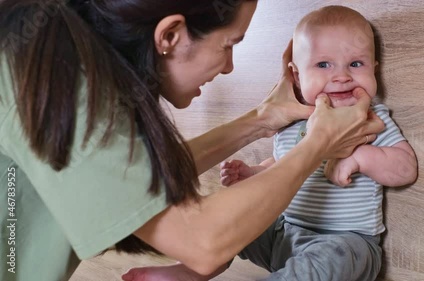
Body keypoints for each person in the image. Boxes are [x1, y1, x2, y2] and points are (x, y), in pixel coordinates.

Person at [0, 1, 385, 281]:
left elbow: (134, 179)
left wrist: (262, 120)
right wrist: (319, 142)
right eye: (229, 44)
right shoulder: (55, 83)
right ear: (170, 34)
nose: (230, 65)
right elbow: (203, 243)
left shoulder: (63, 62)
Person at [125, 5, 418, 281]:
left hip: (346, 242)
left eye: (356, 64)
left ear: (374, 69)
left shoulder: (368, 118)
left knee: (327, 262)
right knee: (237, 224)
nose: (341, 77)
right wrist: (254, 172)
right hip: (284, 233)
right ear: (296, 75)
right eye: (323, 64)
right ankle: (190, 272)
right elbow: (284, 165)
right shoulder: (292, 122)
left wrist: (360, 158)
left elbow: (405, 167)